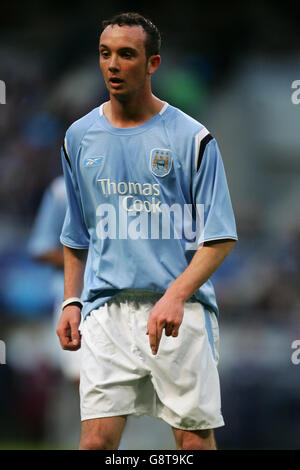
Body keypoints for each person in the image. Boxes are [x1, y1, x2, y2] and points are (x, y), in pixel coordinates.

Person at [56, 12, 238, 450]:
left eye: (126, 54)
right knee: (96, 443)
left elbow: (219, 237)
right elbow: (76, 234)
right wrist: (71, 299)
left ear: (152, 63)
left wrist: (175, 296)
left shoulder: (192, 139)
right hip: (106, 313)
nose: (113, 65)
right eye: (105, 54)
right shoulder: (79, 137)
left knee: (191, 443)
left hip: (179, 314)